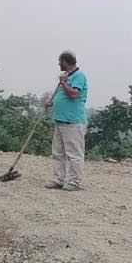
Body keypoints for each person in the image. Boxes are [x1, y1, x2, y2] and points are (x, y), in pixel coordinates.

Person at [44, 51, 88, 191]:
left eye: (60, 61)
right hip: (60, 120)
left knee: (74, 153)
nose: (58, 64)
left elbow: (74, 94)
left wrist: (63, 82)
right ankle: (58, 179)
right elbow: (63, 93)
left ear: (65, 61)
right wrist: (52, 101)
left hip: (73, 121)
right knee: (58, 152)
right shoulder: (67, 77)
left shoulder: (79, 76)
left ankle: (75, 182)